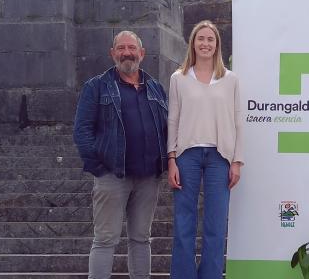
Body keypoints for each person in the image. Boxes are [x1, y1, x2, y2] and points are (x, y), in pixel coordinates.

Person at [73, 31, 168, 279]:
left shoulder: (156, 88)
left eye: (132, 48)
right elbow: (82, 129)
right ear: (112, 53)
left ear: (142, 53)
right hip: (112, 175)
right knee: (105, 239)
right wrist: (98, 166)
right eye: (121, 48)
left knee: (141, 238)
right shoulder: (96, 86)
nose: (127, 52)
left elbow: (167, 126)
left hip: (148, 177)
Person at [167, 20, 243, 278]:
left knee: (216, 224)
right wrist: (171, 159)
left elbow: (237, 121)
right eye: (201, 38)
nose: (205, 44)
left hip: (220, 157)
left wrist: (237, 161)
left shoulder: (230, 80)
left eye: (210, 39)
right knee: (184, 223)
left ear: (217, 45)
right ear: (193, 43)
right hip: (186, 154)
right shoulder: (179, 78)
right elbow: (173, 120)